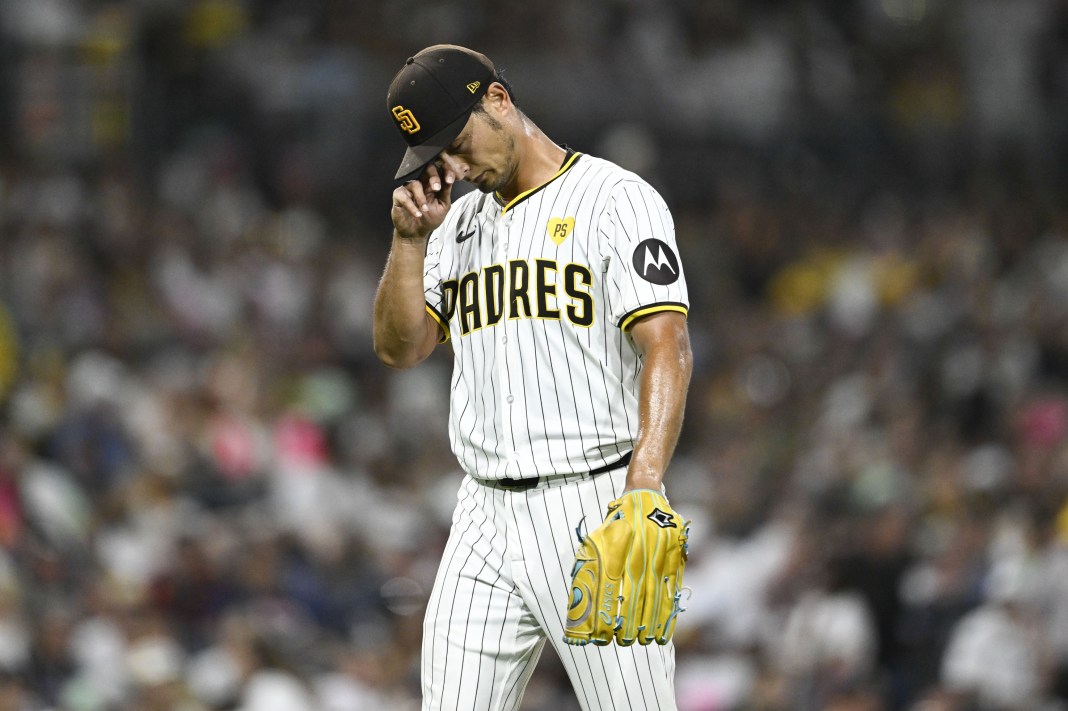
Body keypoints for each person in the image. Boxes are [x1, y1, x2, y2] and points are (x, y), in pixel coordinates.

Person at [373, 44, 693, 710]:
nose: (455, 166)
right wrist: (408, 242)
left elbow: (668, 343)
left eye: (458, 142)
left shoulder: (616, 198)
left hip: (593, 500)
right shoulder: (454, 226)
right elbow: (401, 348)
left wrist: (644, 483)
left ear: (497, 100)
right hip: (482, 513)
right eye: (440, 158)